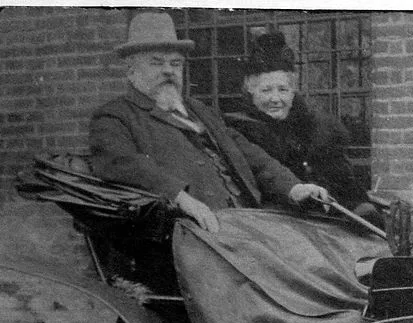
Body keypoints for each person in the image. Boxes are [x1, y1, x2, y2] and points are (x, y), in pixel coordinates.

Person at [89, 12, 330, 238]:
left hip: (247, 221)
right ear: (131, 70)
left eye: (175, 64)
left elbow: (249, 154)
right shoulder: (114, 117)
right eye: (156, 62)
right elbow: (123, 164)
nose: (168, 71)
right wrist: (181, 198)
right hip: (189, 232)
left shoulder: (199, 110)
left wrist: (294, 187)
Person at [226, 31, 384, 228]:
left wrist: (359, 206)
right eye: (266, 90)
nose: (275, 99)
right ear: (250, 90)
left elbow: (344, 182)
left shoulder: (319, 129)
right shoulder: (240, 130)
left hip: (328, 224)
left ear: (293, 91)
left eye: (282, 90)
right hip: (275, 224)